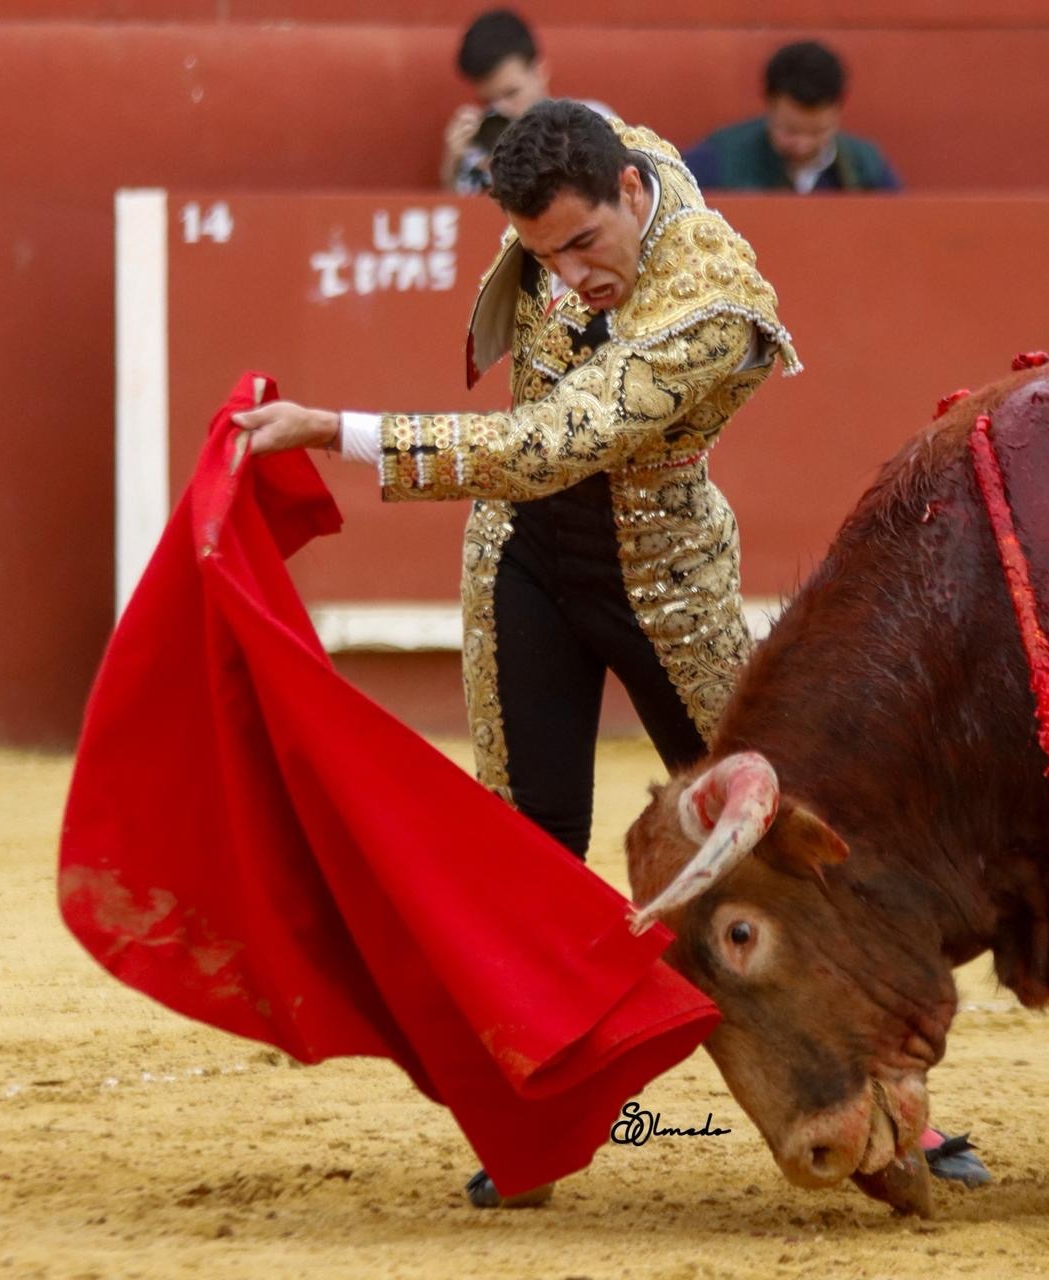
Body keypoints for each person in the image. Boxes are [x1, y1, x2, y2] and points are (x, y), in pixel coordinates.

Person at [234, 99, 800, 1207]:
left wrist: (334, 430)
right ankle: (530, 1120)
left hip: (662, 578)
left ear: (631, 192)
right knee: (526, 845)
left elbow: (545, 444)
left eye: (584, 245)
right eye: (544, 256)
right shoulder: (598, 156)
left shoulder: (710, 304)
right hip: (523, 558)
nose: (571, 278)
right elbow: (573, 129)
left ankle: (878, 1090)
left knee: (761, 843)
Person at [683, 41, 899, 193]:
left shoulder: (867, 167)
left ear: (838, 111)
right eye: (790, 131)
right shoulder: (720, 159)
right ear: (770, 106)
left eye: (818, 132)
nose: (803, 145)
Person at [440, 9, 611, 194]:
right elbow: (462, 208)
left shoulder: (590, 122)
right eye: (487, 100)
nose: (500, 108)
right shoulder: (478, 147)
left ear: (540, 73)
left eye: (511, 93)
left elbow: (617, 192)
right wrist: (452, 164)